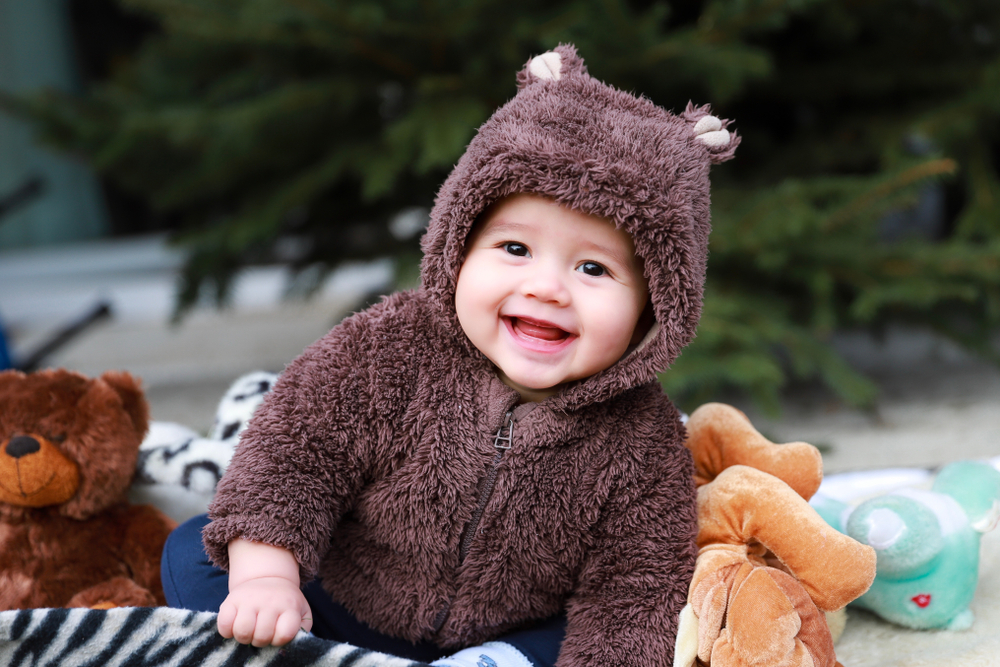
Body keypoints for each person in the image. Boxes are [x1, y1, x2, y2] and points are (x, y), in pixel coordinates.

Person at [161, 44, 738, 667]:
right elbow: (292, 454)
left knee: (601, 635)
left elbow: (635, 587)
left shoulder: (642, 439)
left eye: (593, 268)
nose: (547, 287)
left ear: (654, 309)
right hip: (342, 601)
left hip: (508, 631)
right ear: (457, 248)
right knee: (197, 550)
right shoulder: (386, 349)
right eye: (515, 249)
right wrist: (267, 577)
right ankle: (294, 642)